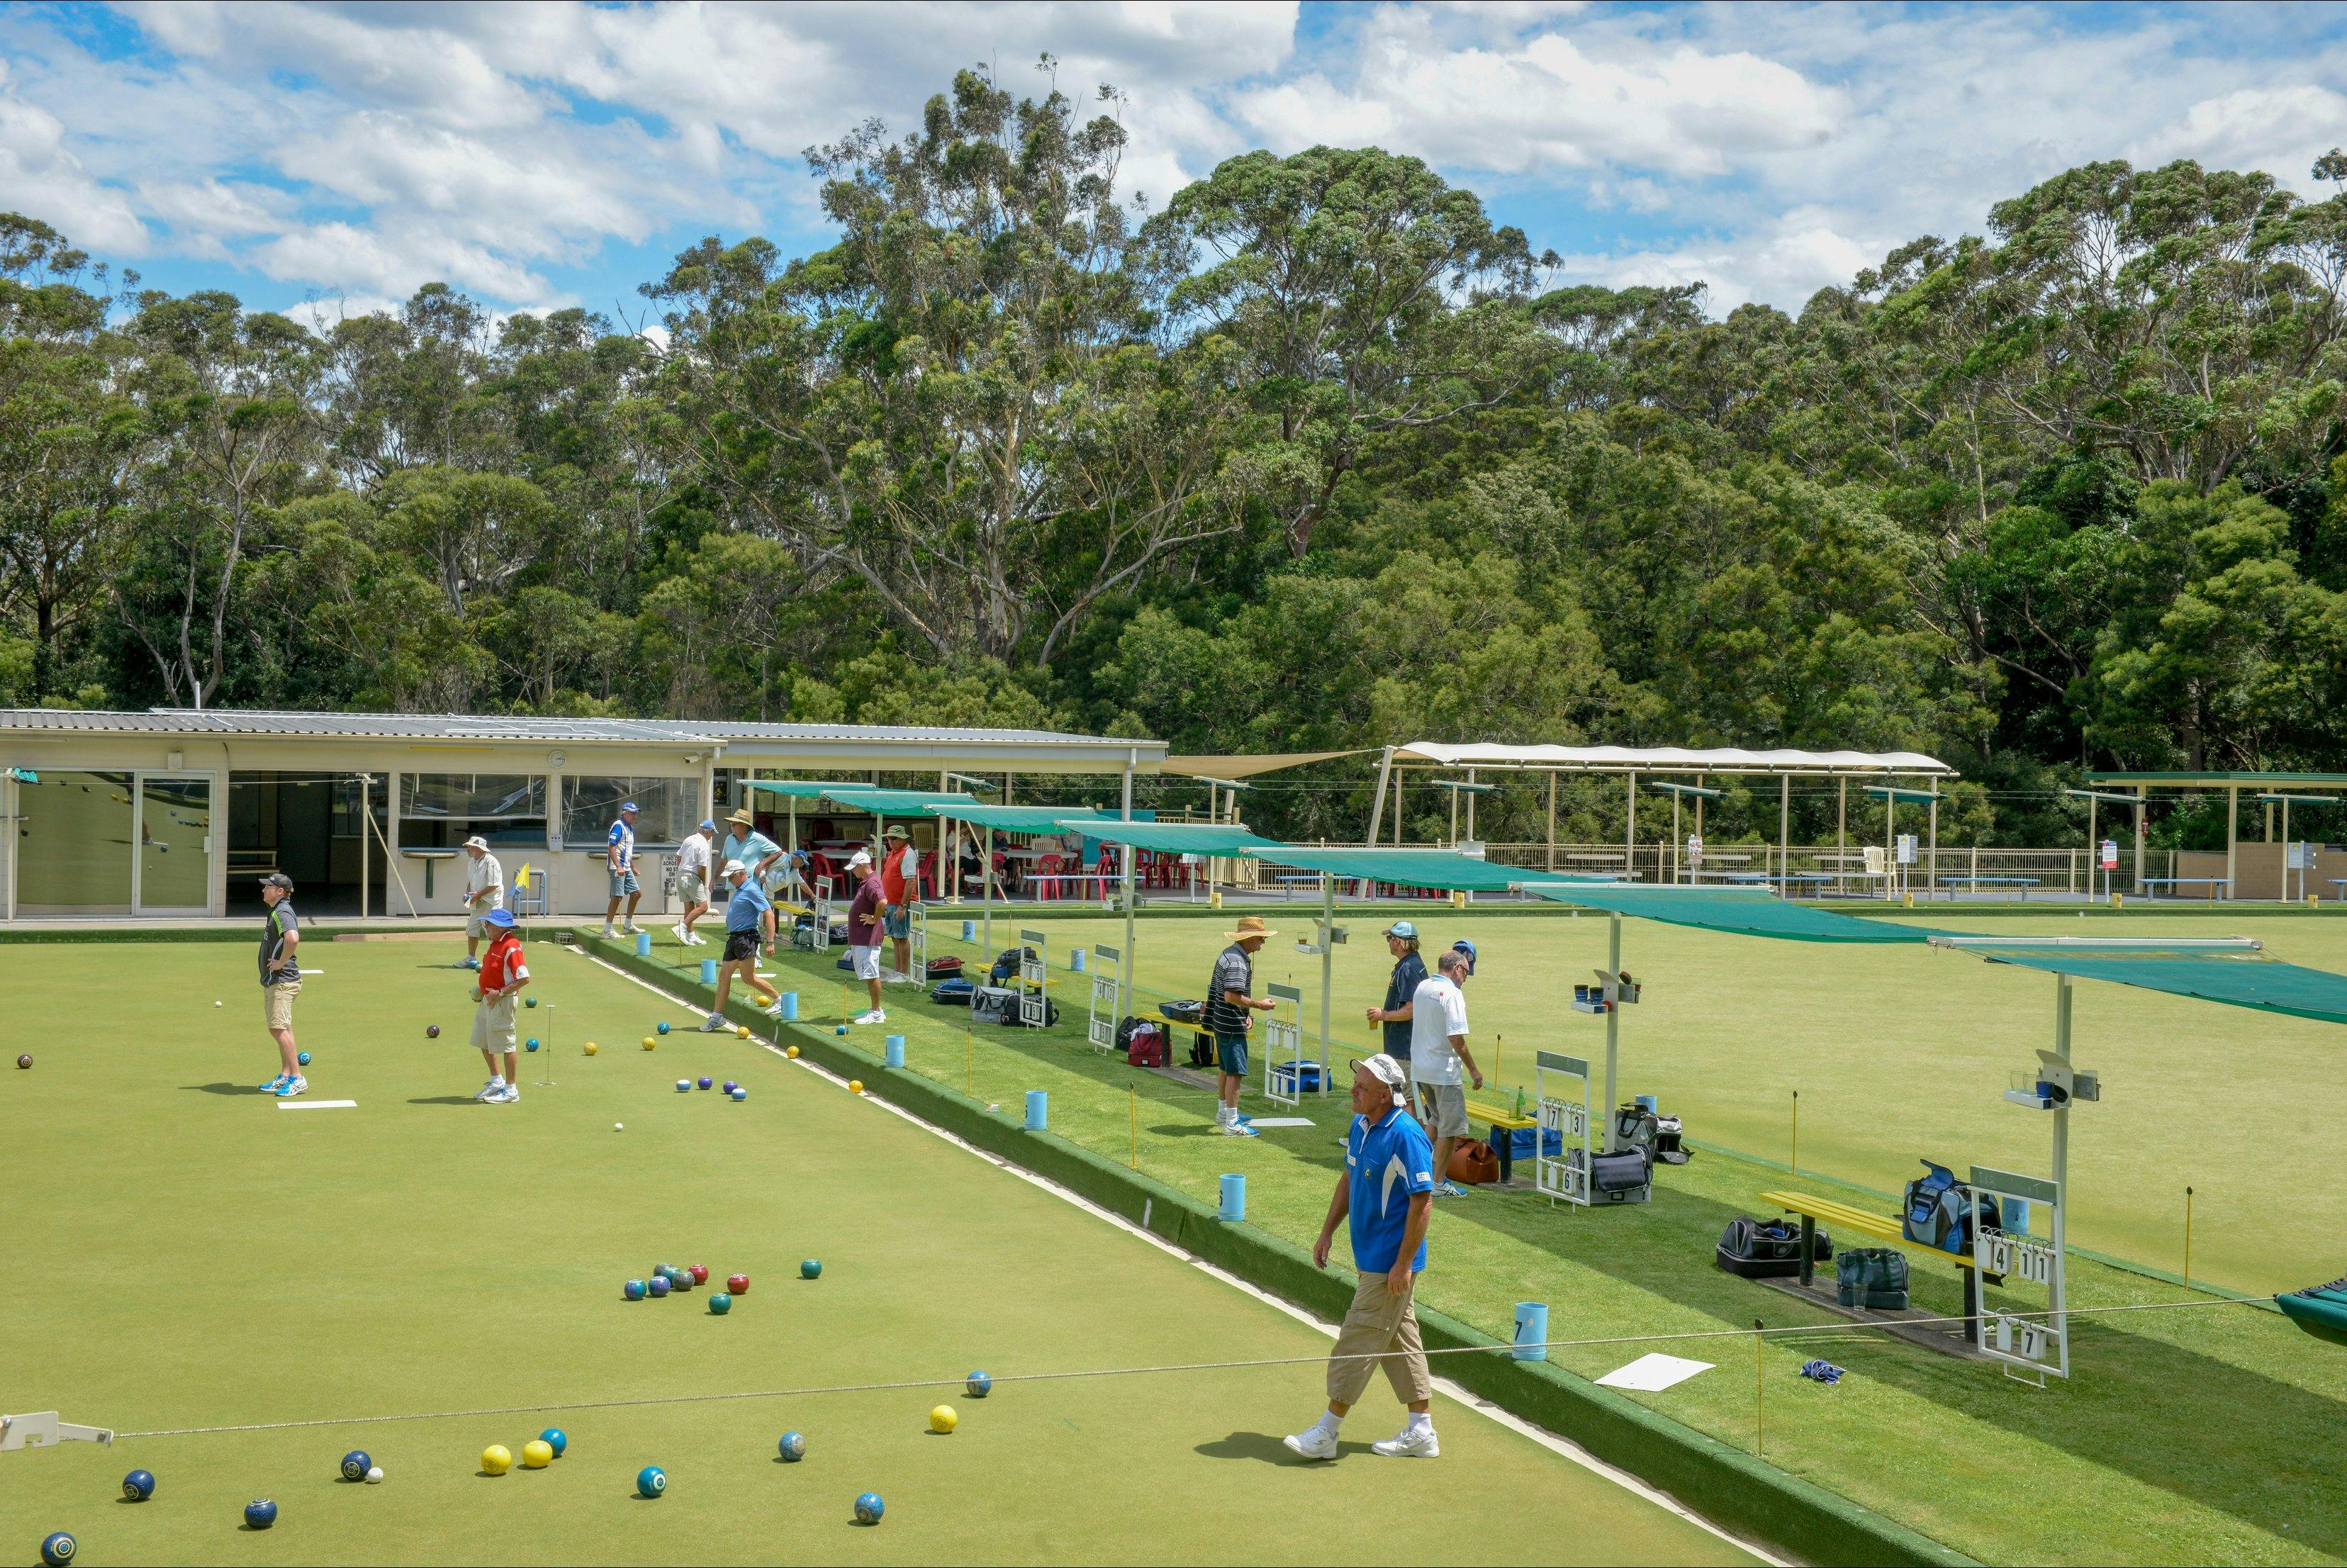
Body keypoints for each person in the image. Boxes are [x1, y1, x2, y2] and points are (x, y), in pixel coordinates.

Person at [1284, 1054, 1439, 1461]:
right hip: (1370, 1257)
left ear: (1385, 1096)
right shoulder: (1361, 1126)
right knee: (1399, 1341)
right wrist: (1326, 1231)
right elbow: (1350, 1177)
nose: (1353, 1091)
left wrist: (1402, 1265)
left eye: (1363, 1087)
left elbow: (1422, 1203)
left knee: (1357, 1339)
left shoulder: (1407, 1136)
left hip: (1388, 1264)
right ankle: (1422, 1431)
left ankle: (1327, 1432)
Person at [1411, 948, 1484, 1198]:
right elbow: (1456, 1037)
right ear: (1456, 969)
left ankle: (1411, 1168)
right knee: (1450, 1128)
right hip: (1443, 1071)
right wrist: (1474, 1069)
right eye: (1466, 971)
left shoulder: (1423, 987)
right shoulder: (1451, 994)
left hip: (1421, 1068)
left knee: (1437, 1120)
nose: (1466, 977)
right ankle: (1438, 1183)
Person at [1204, 914, 1277, 1136]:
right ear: (1249, 938)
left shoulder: (1230, 954)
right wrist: (1259, 1006)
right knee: (1235, 1072)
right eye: (1260, 937)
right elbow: (1231, 996)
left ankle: (1224, 1114)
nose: (1263, 941)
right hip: (1229, 1023)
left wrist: (1247, 1014)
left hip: (1221, 1020)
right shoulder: (1237, 961)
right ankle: (1232, 1124)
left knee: (1226, 1069)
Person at [702, 860, 784, 1028]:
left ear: (741, 874)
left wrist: (770, 942)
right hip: (734, 939)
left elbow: (769, 914)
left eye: (731, 877)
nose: (729, 880)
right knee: (724, 975)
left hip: (746, 938)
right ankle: (717, 1016)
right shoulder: (740, 889)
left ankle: (779, 999)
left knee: (748, 978)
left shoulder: (752, 890)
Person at [469, 907, 530, 1103]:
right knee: (483, 1040)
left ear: (501, 927)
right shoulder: (495, 943)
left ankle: (511, 1089)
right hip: (489, 1000)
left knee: (507, 1044)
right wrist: (483, 990)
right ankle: (497, 1080)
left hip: (503, 1002)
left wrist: (500, 992)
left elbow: (524, 978)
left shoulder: (511, 946)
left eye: (489, 924)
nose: (486, 927)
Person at [255, 872, 307, 1099]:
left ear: (280, 892)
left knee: (277, 1028)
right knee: (284, 1027)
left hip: (282, 980)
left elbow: (293, 938)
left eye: (268, 887)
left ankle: (297, 1078)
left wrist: (280, 962)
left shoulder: (283, 911)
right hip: (277, 980)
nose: (264, 890)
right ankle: (286, 1075)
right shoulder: (276, 911)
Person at [1363, 919, 1427, 1076]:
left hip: (1404, 1050)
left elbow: (1411, 1010)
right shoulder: (1410, 964)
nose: (1389, 942)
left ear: (1398, 942)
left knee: (1406, 1097)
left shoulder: (1409, 969)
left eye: (1390, 938)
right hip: (1404, 1048)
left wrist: (1383, 1015)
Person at [844, 848, 887, 1024]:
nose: (853, 872)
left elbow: (883, 901)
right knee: (869, 973)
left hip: (867, 938)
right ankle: (875, 1011)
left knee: (871, 973)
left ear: (863, 866)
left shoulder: (871, 883)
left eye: (855, 868)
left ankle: (876, 1012)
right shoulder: (867, 881)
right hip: (862, 937)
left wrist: (874, 918)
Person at [880, 823, 920, 982]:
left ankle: (903, 973)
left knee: (902, 937)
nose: (891, 841)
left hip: (900, 904)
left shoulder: (907, 854)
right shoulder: (893, 853)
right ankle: (897, 971)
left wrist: (903, 906)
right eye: (889, 838)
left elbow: (911, 882)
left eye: (894, 838)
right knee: (895, 938)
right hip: (891, 903)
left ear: (902, 839)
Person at [461, 835, 505, 969]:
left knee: (491, 931)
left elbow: (494, 885)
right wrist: (468, 894)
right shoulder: (472, 862)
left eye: (470, 847)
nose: (467, 849)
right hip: (477, 900)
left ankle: (494, 960)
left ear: (478, 848)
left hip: (490, 902)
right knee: (472, 929)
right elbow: (471, 880)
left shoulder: (491, 862)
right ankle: (471, 958)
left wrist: (478, 895)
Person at [601, 801, 642, 939]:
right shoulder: (619, 826)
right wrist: (618, 866)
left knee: (636, 893)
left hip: (625, 867)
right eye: (632, 813)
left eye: (636, 813)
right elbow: (611, 847)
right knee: (617, 897)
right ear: (624, 813)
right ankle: (607, 930)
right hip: (617, 867)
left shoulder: (629, 827)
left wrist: (633, 867)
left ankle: (627, 926)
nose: (635, 815)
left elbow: (625, 850)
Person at [673, 819, 715, 948]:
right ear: (708, 832)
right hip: (692, 877)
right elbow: (702, 867)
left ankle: (691, 936)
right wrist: (703, 881)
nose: (712, 835)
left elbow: (679, 857)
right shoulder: (704, 845)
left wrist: (682, 870)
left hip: (681, 875)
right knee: (703, 907)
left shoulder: (689, 839)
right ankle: (681, 928)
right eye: (712, 832)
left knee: (690, 908)